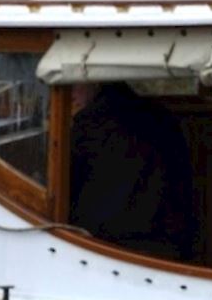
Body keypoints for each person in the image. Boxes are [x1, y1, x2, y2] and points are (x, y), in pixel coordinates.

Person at [69, 83, 196, 260]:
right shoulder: (162, 117)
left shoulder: (89, 125)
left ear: (95, 80)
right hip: (167, 247)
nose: (69, 94)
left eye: (75, 85)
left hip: (102, 248)